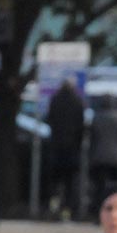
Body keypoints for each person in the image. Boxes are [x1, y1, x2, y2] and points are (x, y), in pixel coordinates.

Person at [46, 77, 85, 219]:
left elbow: (49, 119)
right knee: (70, 183)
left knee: (56, 182)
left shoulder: (55, 100)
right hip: (72, 149)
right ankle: (68, 210)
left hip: (56, 147)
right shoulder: (77, 101)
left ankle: (54, 206)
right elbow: (81, 127)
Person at [88, 94, 117, 216]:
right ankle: (115, 211)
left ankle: (99, 212)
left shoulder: (97, 117)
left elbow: (92, 138)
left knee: (99, 188)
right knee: (116, 188)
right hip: (116, 158)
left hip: (98, 158)